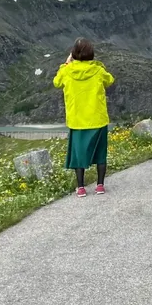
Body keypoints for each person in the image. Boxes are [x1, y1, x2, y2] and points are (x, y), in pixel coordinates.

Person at [53, 37, 115, 198]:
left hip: (77, 120)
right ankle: (100, 185)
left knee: (78, 154)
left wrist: (67, 64)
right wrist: (98, 65)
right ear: (91, 54)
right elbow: (110, 80)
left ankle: (80, 188)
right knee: (100, 153)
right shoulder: (98, 70)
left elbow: (56, 82)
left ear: (73, 54)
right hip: (98, 118)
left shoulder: (67, 71)